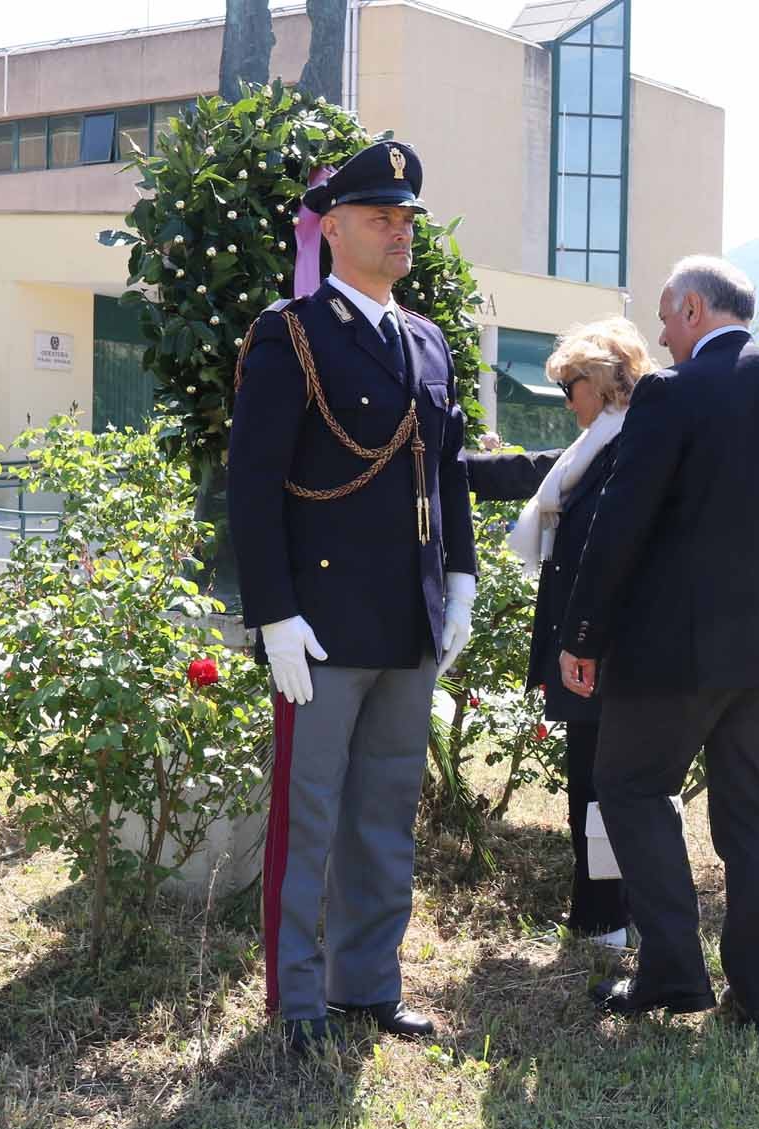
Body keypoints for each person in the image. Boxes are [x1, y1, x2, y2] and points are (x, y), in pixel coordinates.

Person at [227, 140, 476, 1053]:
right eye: (381, 217)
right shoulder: (289, 335)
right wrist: (274, 614)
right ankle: (297, 1003)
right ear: (332, 230)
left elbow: (443, 470)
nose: (399, 231)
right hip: (321, 623)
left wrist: (460, 580)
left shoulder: (426, 340)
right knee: (309, 817)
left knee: (384, 811)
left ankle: (367, 984)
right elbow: (252, 486)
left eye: (407, 218)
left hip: (407, 617)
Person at [558, 256, 759, 1029]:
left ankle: (674, 972)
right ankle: (758, 995)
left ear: (692, 308)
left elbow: (623, 521)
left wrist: (582, 632)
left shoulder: (671, 391)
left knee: (629, 787)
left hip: (675, 650)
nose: (658, 333)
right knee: (756, 816)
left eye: (663, 314)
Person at [461, 317, 656, 948]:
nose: (566, 398)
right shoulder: (597, 444)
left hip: (609, 648)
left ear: (599, 384)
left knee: (604, 785)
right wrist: (451, 464)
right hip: (594, 645)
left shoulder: (632, 445)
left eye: (570, 385)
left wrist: (586, 642)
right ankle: (598, 911)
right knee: (592, 779)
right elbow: (531, 471)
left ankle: (608, 918)